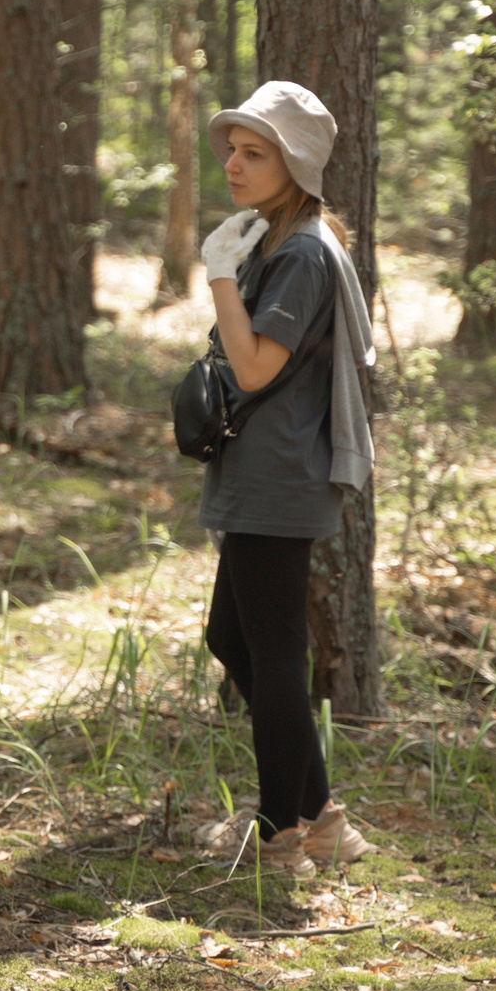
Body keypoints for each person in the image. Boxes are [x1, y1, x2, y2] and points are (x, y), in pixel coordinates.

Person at [191, 80, 378, 873]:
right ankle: (324, 817)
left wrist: (219, 278)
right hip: (263, 469)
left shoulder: (301, 252)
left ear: (294, 164)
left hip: (280, 475)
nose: (233, 163)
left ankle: (279, 835)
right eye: (232, 147)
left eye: (254, 152)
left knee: (270, 649)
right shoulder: (277, 237)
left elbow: (257, 365)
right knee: (231, 635)